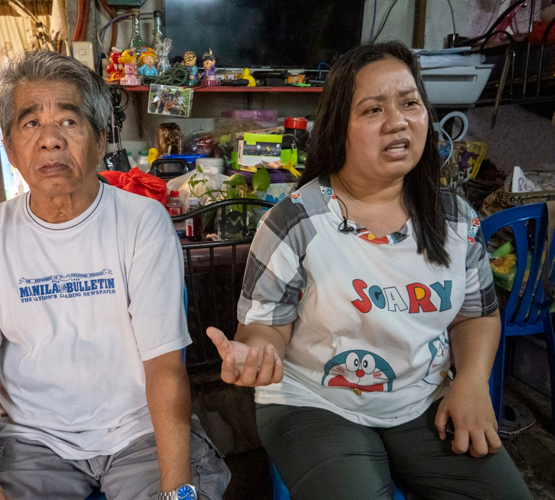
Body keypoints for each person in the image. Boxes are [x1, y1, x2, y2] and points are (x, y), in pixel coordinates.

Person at [207, 42, 531, 500]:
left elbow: (475, 314)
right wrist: (256, 352)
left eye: (410, 102)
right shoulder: (296, 220)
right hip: (315, 403)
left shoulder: (456, 218)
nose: (398, 121)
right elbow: (264, 330)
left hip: (423, 399)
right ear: (339, 128)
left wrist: (473, 381)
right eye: (373, 109)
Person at [0, 50, 230, 500]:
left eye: (70, 122)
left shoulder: (142, 221)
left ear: (101, 140)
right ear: (10, 148)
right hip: (32, 439)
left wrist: (176, 487)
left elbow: (163, 365)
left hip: (140, 432)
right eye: (30, 122)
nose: (50, 140)